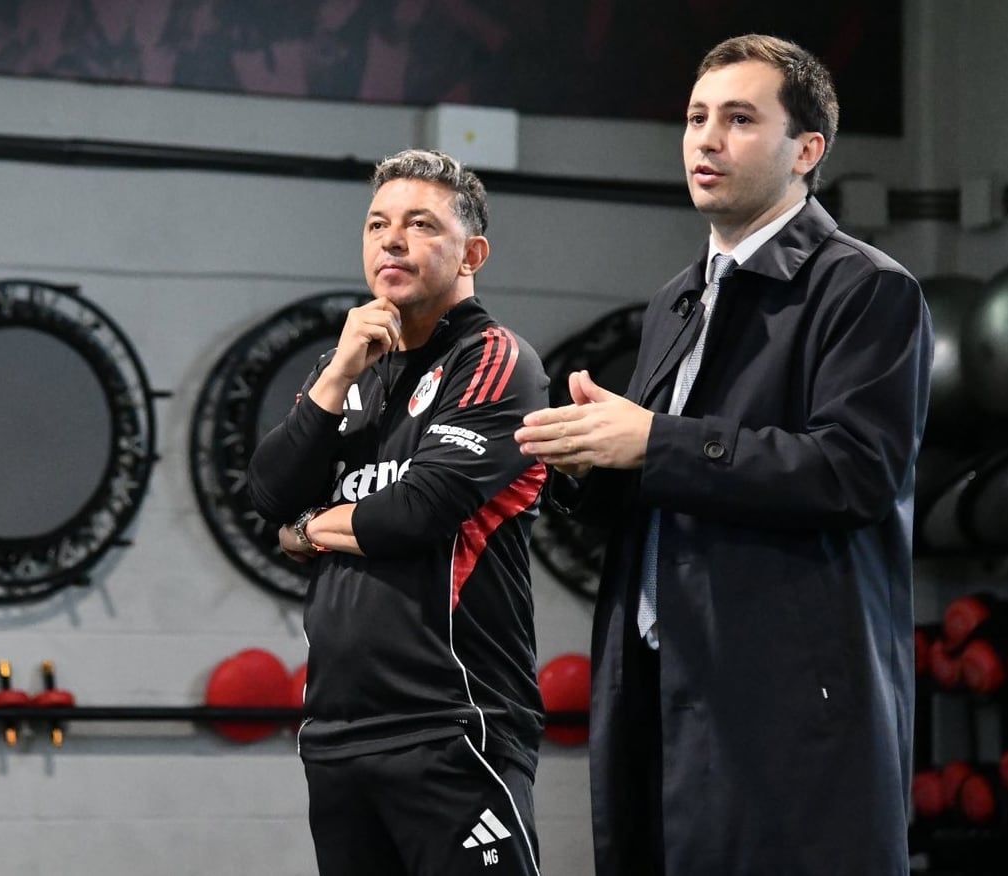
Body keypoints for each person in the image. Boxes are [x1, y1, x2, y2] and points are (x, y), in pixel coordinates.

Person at [514, 34, 930, 876]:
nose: (706, 139)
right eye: (698, 117)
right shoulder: (678, 296)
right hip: (658, 681)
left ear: (806, 150)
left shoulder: (866, 288)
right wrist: (587, 465)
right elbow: (668, 483)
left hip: (780, 698)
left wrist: (652, 438)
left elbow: (852, 472)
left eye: (740, 119)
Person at [247, 148, 548, 876]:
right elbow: (266, 493)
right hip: (337, 735)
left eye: (420, 224)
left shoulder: (496, 359)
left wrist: (309, 531)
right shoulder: (347, 368)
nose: (391, 240)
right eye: (377, 224)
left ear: (472, 252)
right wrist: (340, 373)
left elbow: (416, 512)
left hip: (452, 726)